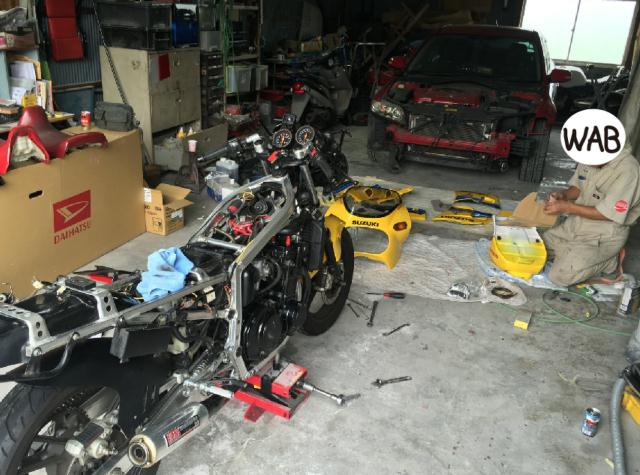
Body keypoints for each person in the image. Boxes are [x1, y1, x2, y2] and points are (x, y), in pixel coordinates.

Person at [542, 144, 640, 287]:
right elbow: (579, 186)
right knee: (534, 249)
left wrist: (566, 207)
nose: (585, 162)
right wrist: (563, 195)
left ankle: (608, 262)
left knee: (559, 276)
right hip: (575, 224)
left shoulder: (629, 170)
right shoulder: (588, 152)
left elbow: (606, 214)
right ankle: (572, 254)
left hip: (603, 235)